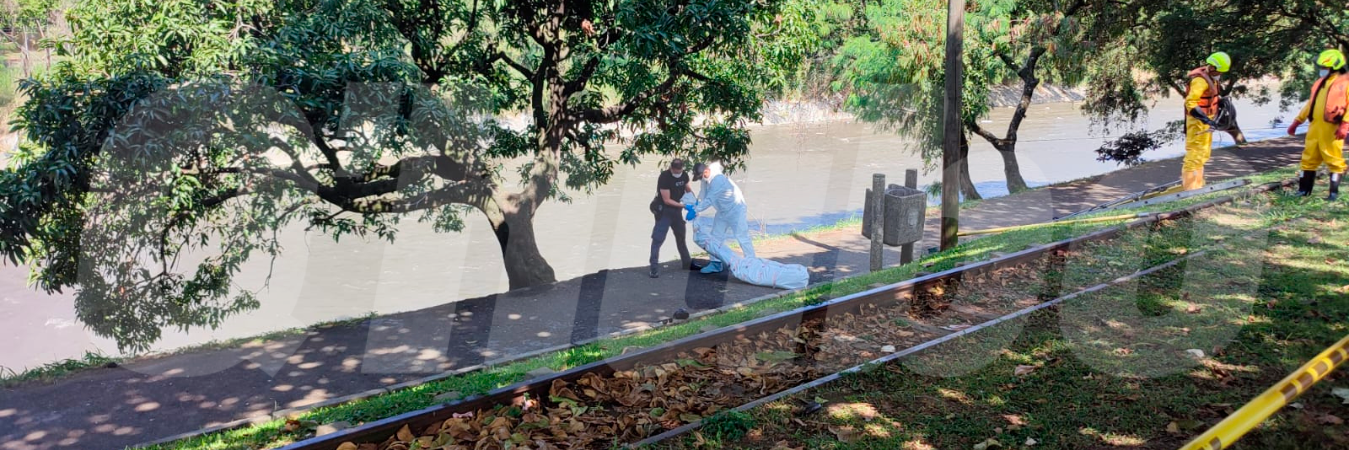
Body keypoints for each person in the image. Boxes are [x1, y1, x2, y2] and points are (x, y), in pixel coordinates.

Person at [1287, 49, 1349, 201]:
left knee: (1333, 159)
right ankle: (1303, 190)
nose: (1321, 70)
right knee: (1308, 159)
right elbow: (1310, 104)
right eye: (1321, 67)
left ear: (1335, 67)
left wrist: (1345, 125)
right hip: (1315, 127)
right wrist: (1297, 121)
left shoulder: (1345, 83)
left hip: (1332, 128)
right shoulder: (1319, 83)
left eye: (1324, 67)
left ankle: (1333, 193)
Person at [691, 161, 755, 274]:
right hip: (722, 211)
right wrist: (696, 203)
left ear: (706, 171)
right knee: (715, 237)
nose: (700, 179)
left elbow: (710, 200)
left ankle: (753, 264)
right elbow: (703, 194)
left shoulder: (718, 180)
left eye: (700, 177)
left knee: (742, 236)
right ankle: (716, 264)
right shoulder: (706, 180)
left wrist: (695, 210)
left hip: (736, 209)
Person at [1181, 52, 1233, 191]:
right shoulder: (1200, 81)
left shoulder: (1211, 77)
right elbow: (1191, 103)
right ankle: (1190, 189)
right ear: (1212, 67)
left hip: (1207, 119)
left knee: (1203, 153)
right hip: (1197, 121)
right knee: (1194, 154)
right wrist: (1206, 120)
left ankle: (1198, 185)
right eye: (1219, 71)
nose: (1220, 75)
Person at [649, 159, 695, 278]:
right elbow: (667, 200)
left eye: (680, 171)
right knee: (658, 239)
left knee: (681, 237)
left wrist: (694, 202)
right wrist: (684, 206)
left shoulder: (684, 175)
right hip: (664, 211)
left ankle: (687, 263)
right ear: (672, 168)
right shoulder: (664, 177)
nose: (678, 173)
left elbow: (688, 189)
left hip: (677, 212)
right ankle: (653, 268)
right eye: (676, 171)